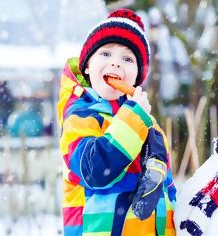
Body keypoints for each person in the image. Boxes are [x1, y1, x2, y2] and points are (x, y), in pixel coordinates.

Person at [57, 8, 176, 236]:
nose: (116, 64)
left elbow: (166, 187)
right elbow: (96, 171)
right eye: (105, 54)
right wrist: (133, 119)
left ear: (138, 76)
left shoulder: (147, 123)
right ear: (88, 67)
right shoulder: (80, 118)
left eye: (128, 58)